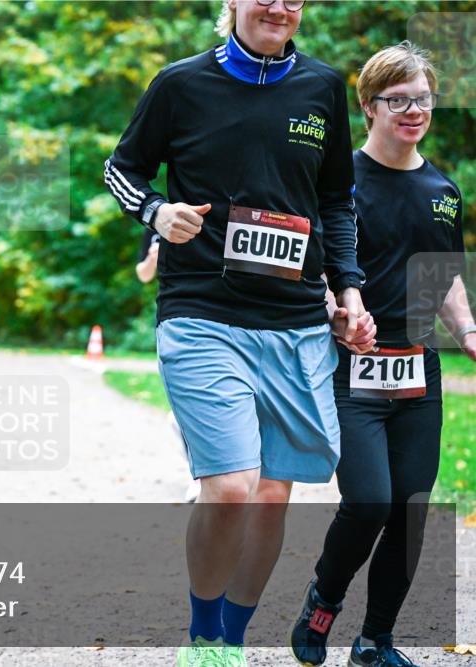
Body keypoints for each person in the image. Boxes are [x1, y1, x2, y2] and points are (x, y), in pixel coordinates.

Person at [103, 1, 377, 665]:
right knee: (230, 485)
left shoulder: (321, 88)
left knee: (272, 494)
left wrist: (348, 292)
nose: (279, 6)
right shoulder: (180, 83)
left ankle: (231, 635)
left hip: (294, 320)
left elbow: (336, 201)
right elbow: (120, 169)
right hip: (200, 309)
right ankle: (203, 636)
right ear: (231, 2)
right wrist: (155, 210)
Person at [290, 42, 473, 667]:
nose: (413, 110)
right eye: (398, 100)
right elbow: (313, 267)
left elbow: (442, 278)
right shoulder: (337, 184)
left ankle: (375, 642)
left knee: (410, 509)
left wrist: (469, 332)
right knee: (369, 500)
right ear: (368, 107)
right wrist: (335, 311)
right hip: (351, 368)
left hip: (419, 369)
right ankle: (323, 602)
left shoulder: (442, 190)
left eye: (422, 98)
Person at [136, 229, 202, 504]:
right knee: (187, 411)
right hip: (177, 321)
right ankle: (199, 476)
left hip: (217, 313)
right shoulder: (157, 221)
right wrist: (153, 258)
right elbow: (143, 274)